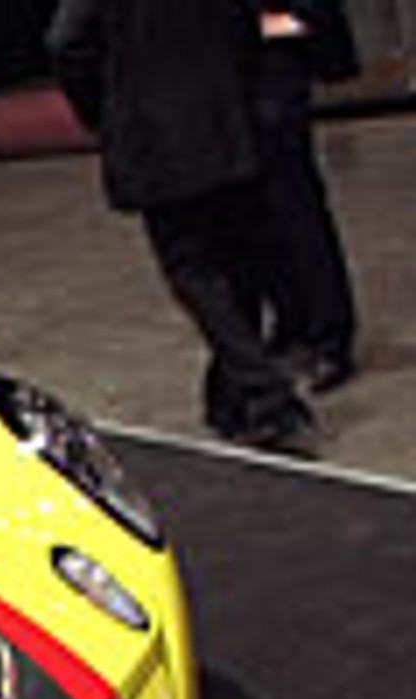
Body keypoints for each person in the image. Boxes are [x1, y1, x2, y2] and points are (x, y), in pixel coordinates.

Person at [50, 0, 315, 452]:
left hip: (154, 133)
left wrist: (102, 106)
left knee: (195, 272)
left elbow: (66, 42)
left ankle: (265, 394)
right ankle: (230, 399)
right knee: (236, 264)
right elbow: (241, 26)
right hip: (224, 120)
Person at [252, 0, 362, 393]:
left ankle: (330, 333)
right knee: (256, 212)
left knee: (297, 209)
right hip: (228, 71)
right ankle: (292, 319)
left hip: (272, 65)